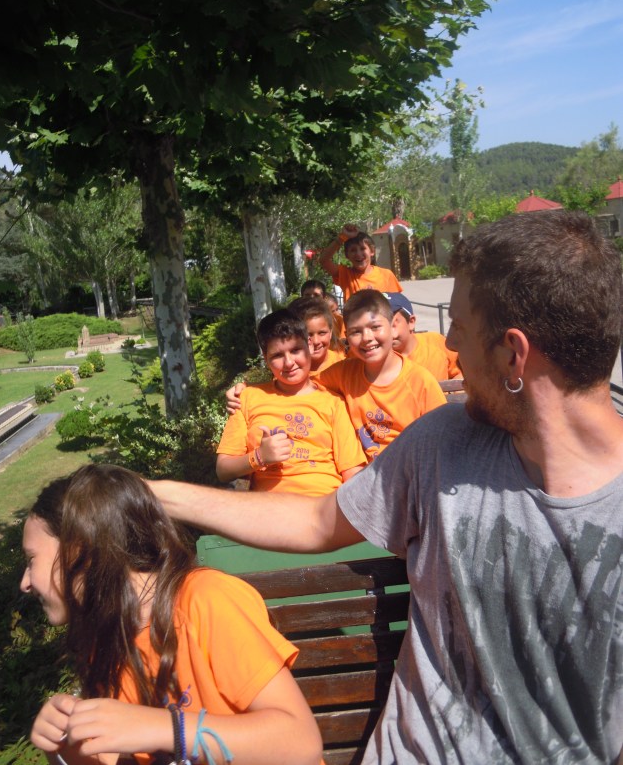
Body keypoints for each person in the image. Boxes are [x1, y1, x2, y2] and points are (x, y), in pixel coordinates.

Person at [151, 210, 623, 764]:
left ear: (514, 355)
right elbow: (317, 520)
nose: (446, 342)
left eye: (460, 328)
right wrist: (159, 493)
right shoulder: (442, 442)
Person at [21, 463, 322, 765]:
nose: (25, 582)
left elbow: (301, 745)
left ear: (79, 548)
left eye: (31, 559)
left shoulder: (205, 599)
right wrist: (63, 748)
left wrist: (165, 728)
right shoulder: (105, 639)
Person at [229, 290, 446, 462]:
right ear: (346, 336)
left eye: (375, 327)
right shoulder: (344, 372)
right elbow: (299, 382)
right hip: (363, 478)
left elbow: (443, 440)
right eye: (356, 332)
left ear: (392, 327)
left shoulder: (420, 382)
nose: (367, 338)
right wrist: (245, 389)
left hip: (410, 474)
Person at [217, 309, 365, 495]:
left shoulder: (334, 402)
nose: (289, 363)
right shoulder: (248, 398)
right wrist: (259, 457)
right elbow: (223, 470)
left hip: (321, 501)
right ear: (266, 359)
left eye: (295, 350)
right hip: (268, 505)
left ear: (309, 345)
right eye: (277, 355)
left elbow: (352, 472)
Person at [383, 291, 462, 381]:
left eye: (392, 324)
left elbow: (462, 372)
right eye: (378, 326)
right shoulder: (377, 360)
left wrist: (449, 388)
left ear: (411, 322)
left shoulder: (436, 342)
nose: (386, 332)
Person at [319, 223, 400, 300]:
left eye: (362, 248)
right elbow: (324, 260)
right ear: (347, 255)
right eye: (353, 250)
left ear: (372, 251)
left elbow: (398, 303)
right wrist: (342, 237)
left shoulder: (386, 275)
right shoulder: (346, 275)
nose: (358, 254)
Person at [287, 296, 346, 374]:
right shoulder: (288, 371)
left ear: (330, 332)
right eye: (308, 335)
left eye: (322, 333)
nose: (316, 341)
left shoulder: (344, 366)